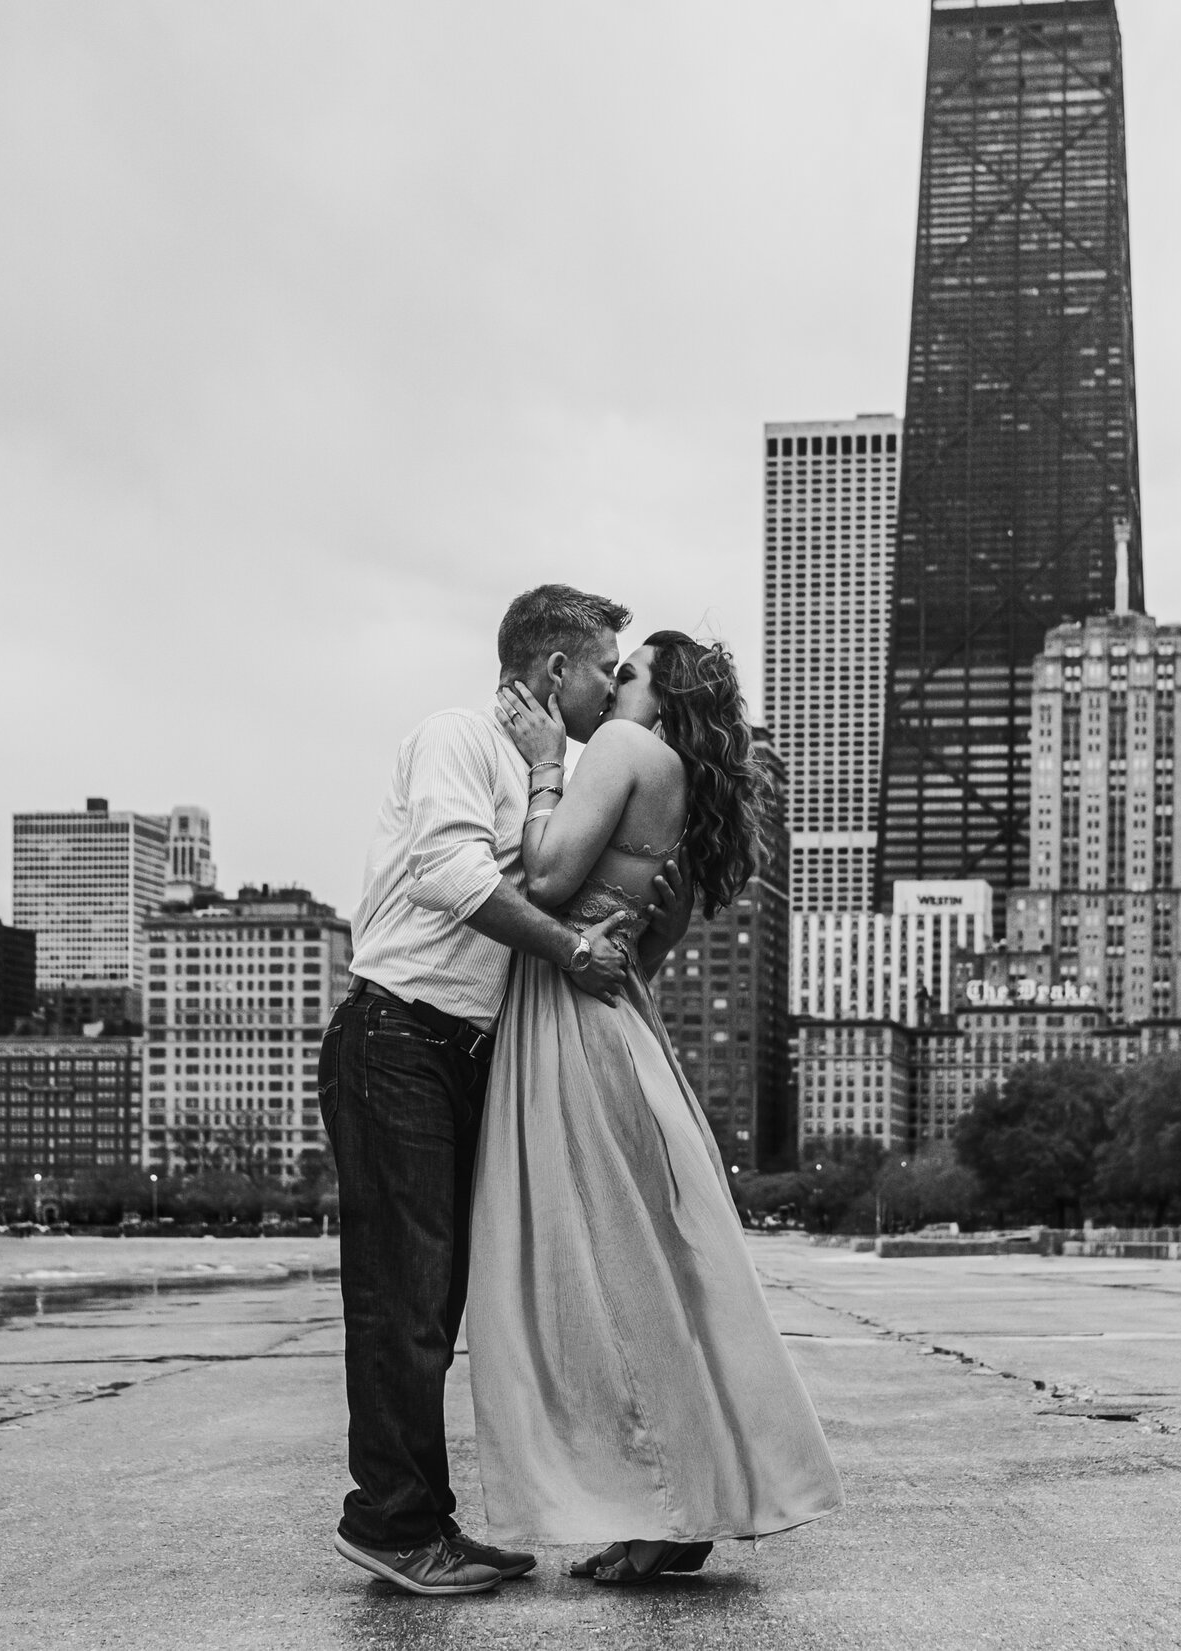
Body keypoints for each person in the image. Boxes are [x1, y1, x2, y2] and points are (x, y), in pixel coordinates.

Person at [321, 584, 686, 1596]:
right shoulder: (456, 735)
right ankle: (390, 1524)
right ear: (551, 669)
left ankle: (421, 1517)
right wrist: (571, 947)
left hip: (459, 1052)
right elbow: (448, 876)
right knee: (402, 1297)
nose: (614, 682)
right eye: (604, 665)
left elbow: (538, 880)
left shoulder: (548, 777)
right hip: (395, 1033)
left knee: (434, 1297)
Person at [465, 629, 842, 1585]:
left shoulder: (627, 752)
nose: (610, 681)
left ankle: (665, 1505)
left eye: (627, 672)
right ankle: (678, 1505)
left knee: (609, 1281)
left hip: (571, 1026)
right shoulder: (682, 792)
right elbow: (644, 951)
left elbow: (544, 878)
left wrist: (548, 766)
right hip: (620, 1027)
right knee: (651, 1279)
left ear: (660, 697)